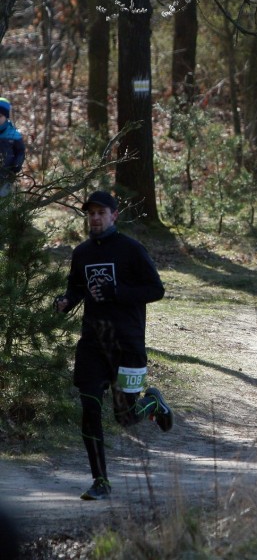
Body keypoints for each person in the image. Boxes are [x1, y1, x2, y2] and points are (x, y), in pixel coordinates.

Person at [55, 190, 172, 500]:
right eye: (90, 213)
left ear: (114, 215)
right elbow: (77, 286)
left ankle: (153, 402)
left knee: (126, 416)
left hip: (127, 343)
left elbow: (155, 290)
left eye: (101, 212)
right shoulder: (81, 253)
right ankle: (100, 481)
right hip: (94, 342)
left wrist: (117, 291)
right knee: (90, 406)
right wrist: (67, 300)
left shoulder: (131, 250)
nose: (95, 218)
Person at [0, 98, 25, 198]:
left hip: (7, 173)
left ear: (6, 117)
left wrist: (17, 164)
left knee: (3, 198)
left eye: (0, 116)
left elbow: (20, 151)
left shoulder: (14, 135)